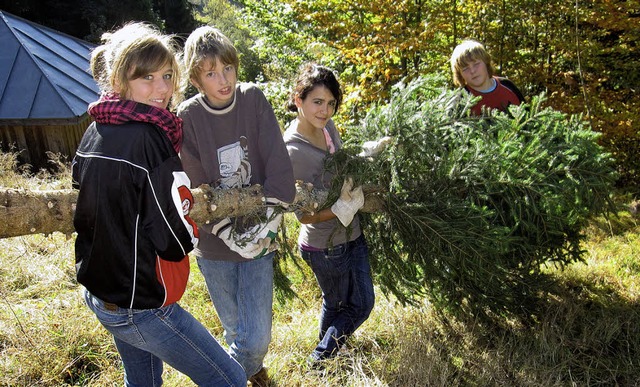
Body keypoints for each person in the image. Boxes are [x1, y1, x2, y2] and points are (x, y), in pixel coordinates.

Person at [71, 22, 246, 387]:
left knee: (144, 381)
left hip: (102, 294)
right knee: (229, 378)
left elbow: (83, 195)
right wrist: (192, 233)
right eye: (146, 78)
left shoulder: (95, 129)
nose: (163, 89)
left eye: (167, 75)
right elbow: (173, 238)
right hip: (142, 305)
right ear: (120, 81)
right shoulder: (151, 137)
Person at [177, 26, 296, 386]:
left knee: (255, 336)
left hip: (259, 233)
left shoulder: (252, 99)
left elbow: (277, 160)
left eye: (227, 68)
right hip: (214, 243)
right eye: (211, 73)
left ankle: (222, 379)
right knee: (235, 330)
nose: (223, 79)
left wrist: (270, 217)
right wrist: (224, 229)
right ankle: (253, 376)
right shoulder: (188, 116)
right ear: (196, 78)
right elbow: (197, 186)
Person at [283, 63, 375, 365]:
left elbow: (341, 167)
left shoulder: (327, 127)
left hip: (352, 233)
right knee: (359, 305)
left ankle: (329, 358)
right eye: (317, 102)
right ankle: (320, 360)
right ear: (299, 100)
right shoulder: (293, 152)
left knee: (337, 306)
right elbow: (304, 217)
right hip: (325, 246)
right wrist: (339, 209)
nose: (325, 111)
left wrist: (364, 158)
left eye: (331, 103)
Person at [450, 39, 524, 115]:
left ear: (486, 62)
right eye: (465, 69)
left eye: (476, 64)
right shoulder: (458, 102)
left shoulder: (508, 86)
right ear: (459, 74)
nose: (472, 71)